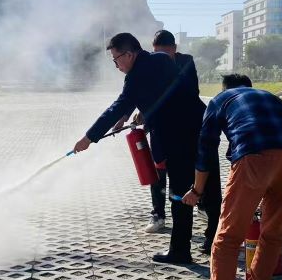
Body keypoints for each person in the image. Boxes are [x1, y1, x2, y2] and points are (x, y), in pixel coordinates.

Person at [181, 74, 282, 280]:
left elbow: (205, 149)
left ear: (225, 89)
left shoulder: (220, 100)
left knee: (229, 233)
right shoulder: (271, 97)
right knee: (272, 230)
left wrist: (197, 190)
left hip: (254, 156)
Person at [73, 32, 207, 264]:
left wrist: (89, 138)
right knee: (193, 187)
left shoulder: (136, 76)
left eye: (116, 59)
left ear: (129, 54)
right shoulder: (160, 59)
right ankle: (206, 241)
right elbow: (155, 92)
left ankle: (180, 251)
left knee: (178, 193)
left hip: (177, 136)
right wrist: (128, 115)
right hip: (198, 128)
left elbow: (119, 104)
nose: (116, 66)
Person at [149, 30, 221, 253]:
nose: (160, 58)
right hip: (166, 131)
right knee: (160, 174)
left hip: (195, 129)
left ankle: (211, 237)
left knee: (207, 181)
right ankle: (159, 215)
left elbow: (188, 91)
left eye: (165, 53)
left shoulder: (186, 62)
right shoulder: (150, 65)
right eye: (156, 53)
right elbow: (141, 93)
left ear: (174, 48)